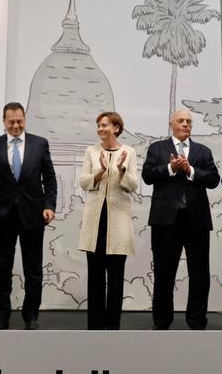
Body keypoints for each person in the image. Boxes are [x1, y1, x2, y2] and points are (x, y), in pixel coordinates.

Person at [142, 109, 220, 330]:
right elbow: (147, 176)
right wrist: (170, 168)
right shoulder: (157, 148)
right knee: (164, 274)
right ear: (171, 124)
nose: (186, 124)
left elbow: (214, 179)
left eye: (189, 121)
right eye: (181, 121)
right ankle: (162, 322)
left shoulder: (202, 151)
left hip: (196, 220)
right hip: (165, 221)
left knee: (199, 275)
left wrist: (190, 170)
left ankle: (196, 322)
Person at [0, 102, 57, 330]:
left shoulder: (39, 144)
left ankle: (31, 316)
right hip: (3, 216)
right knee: (2, 269)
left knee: (33, 269)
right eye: (11, 122)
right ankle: (1, 316)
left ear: (24, 119)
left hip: (33, 215)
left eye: (19, 121)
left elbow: (50, 179)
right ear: (4, 121)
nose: (16, 125)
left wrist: (49, 206)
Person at [77, 112, 138, 330]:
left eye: (104, 125)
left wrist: (121, 170)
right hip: (95, 222)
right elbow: (84, 182)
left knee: (115, 278)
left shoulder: (128, 152)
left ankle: (113, 327)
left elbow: (133, 185)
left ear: (116, 128)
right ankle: (94, 326)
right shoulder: (91, 152)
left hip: (118, 223)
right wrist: (101, 171)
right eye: (99, 126)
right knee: (94, 278)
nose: (100, 129)